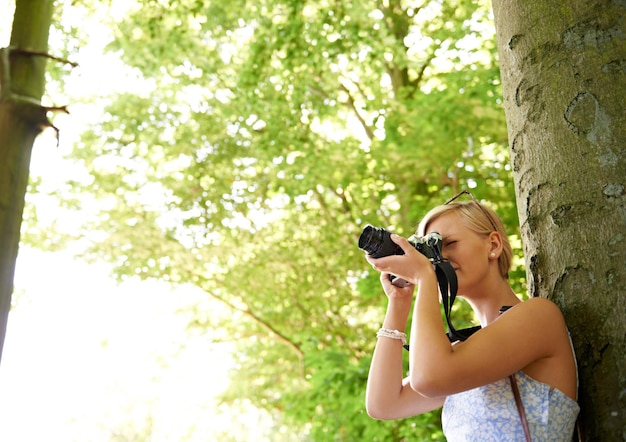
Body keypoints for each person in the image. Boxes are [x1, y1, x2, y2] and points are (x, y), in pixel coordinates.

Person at [364, 191, 580, 441]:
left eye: (450, 243)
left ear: (493, 245)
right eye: (429, 251)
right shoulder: (459, 353)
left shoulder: (538, 317)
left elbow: (429, 379)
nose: (437, 259)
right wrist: (399, 302)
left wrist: (424, 277)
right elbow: (384, 404)